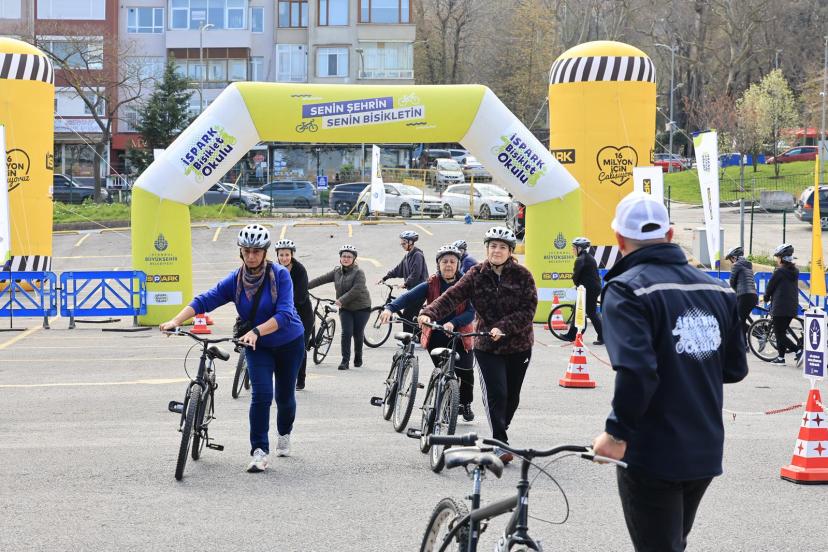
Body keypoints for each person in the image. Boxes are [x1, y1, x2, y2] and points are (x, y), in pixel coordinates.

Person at [592, 192, 748, 552]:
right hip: (704, 446)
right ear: (670, 233)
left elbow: (637, 370)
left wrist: (616, 434)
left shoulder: (627, 289)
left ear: (619, 239)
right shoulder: (717, 288)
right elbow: (735, 368)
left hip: (653, 450)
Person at [160, 224, 306, 473]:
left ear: (265, 252)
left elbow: (284, 314)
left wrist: (257, 331)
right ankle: (259, 451)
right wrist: (176, 320)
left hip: (289, 342)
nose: (251, 256)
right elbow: (205, 299)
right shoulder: (236, 280)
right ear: (241, 252)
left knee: (284, 397)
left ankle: (284, 433)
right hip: (257, 345)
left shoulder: (280, 276)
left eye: (256, 251)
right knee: (261, 395)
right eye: (246, 251)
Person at [418, 227, 537, 464]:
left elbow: (529, 309)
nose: (496, 251)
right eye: (492, 246)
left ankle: (501, 427)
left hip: (519, 345)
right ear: (486, 249)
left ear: (510, 251)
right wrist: (429, 312)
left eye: (502, 247)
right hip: (487, 346)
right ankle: (499, 442)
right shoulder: (476, 274)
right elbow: (452, 296)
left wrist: (503, 327)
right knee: (497, 394)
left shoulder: (523, 275)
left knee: (512, 397)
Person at [380, 245, 477, 421]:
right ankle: (445, 402)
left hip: (461, 337)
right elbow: (408, 297)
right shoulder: (432, 284)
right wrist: (390, 308)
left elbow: (471, 312)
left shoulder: (466, 284)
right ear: (438, 264)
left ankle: (465, 403)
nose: (448, 265)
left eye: (452, 261)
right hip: (436, 336)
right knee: (443, 372)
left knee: (466, 372)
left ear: (458, 264)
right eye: (444, 261)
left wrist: (453, 323)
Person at [309, 245, 372, 371]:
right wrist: (304, 286)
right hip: (345, 308)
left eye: (349, 257)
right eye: (344, 256)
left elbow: (356, 290)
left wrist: (340, 300)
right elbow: (320, 280)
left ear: (354, 259)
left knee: (357, 333)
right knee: (346, 333)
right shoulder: (337, 271)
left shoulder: (359, 272)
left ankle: (358, 357)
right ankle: (345, 361)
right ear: (340, 258)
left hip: (362, 307)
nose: (346, 259)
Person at [274, 239, 314, 390]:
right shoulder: (274, 269)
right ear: (277, 255)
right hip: (283, 312)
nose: (284, 258)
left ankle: (300, 379)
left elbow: (300, 296)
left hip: (302, 313)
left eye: (287, 255)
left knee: (300, 346)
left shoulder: (299, 270)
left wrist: (282, 305)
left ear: (292, 255)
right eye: (281, 255)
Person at [378, 230, 428, 331]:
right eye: (401, 243)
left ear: (411, 242)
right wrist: (385, 278)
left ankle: (411, 337)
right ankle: (413, 334)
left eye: (404, 243)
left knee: (407, 315)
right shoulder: (407, 256)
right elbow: (398, 269)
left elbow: (415, 274)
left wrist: (406, 283)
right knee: (409, 316)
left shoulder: (417, 255)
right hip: (412, 291)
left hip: (420, 291)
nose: (402, 245)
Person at [763, 243, 802, 365]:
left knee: (779, 334)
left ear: (782, 258)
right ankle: (781, 358)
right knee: (781, 332)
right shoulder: (795, 271)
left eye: (778, 257)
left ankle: (798, 350)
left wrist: (766, 297)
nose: (777, 260)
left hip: (780, 307)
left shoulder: (779, 272)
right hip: (792, 307)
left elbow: (770, 287)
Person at [567, 236, 604, 345]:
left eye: (573, 248)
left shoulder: (580, 259)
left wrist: (577, 284)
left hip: (590, 289)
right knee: (580, 309)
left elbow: (576, 275)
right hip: (590, 287)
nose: (572, 250)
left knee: (591, 313)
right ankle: (572, 335)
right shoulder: (587, 257)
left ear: (580, 248)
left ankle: (603, 337)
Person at [725, 245, 758, 337]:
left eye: (731, 259)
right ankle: (758, 333)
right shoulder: (748, 265)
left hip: (744, 296)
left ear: (734, 257)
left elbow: (732, 282)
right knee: (742, 319)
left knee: (739, 322)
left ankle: (745, 342)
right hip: (753, 295)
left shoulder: (736, 265)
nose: (731, 261)